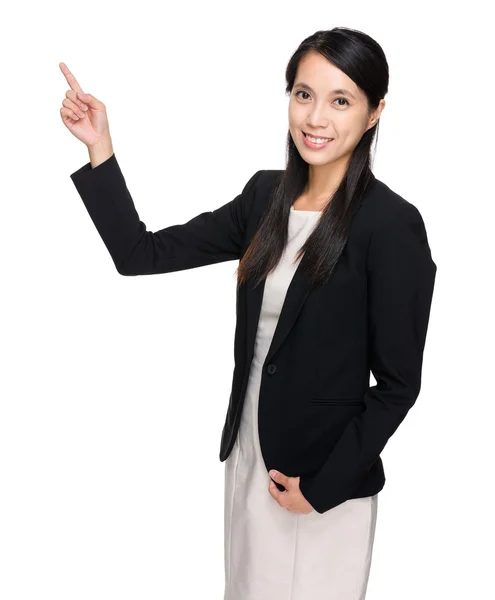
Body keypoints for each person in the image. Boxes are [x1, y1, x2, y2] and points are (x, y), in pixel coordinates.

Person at [60, 26, 437, 600]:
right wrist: (99, 146)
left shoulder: (390, 226)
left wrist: (324, 487)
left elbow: (398, 385)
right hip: (249, 460)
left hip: (317, 481)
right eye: (303, 94)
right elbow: (139, 255)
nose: (315, 117)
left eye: (341, 101)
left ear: (374, 112)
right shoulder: (265, 198)